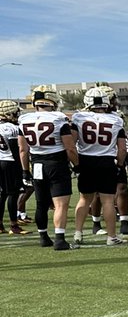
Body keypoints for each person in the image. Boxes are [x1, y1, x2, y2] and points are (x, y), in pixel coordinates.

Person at [17, 86, 77, 249]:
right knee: (60, 204)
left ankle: (43, 237)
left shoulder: (24, 119)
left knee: (41, 204)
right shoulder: (58, 118)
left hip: (36, 163)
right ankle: (59, 239)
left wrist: (25, 171)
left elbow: (23, 150)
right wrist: (77, 165)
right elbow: (70, 148)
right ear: (53, 100)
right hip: (56, 163)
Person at [70, 86, 127, 247]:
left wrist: (76, 164)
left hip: (86, 160)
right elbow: (122, 149)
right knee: (108, 201)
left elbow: (72, 144)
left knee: (84, 199)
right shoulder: (116, 120)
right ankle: (111, 237)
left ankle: (78, 233)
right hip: (106, 161)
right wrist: (120, 165)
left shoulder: (78, 118)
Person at [0, 100, 27, 235]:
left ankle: (0, 225)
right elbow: (17, 150)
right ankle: (14, 225)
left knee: (3, 194)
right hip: (11, 162)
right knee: (12, 194)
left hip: (1, 161)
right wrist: (23, 169)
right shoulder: (13, 128)